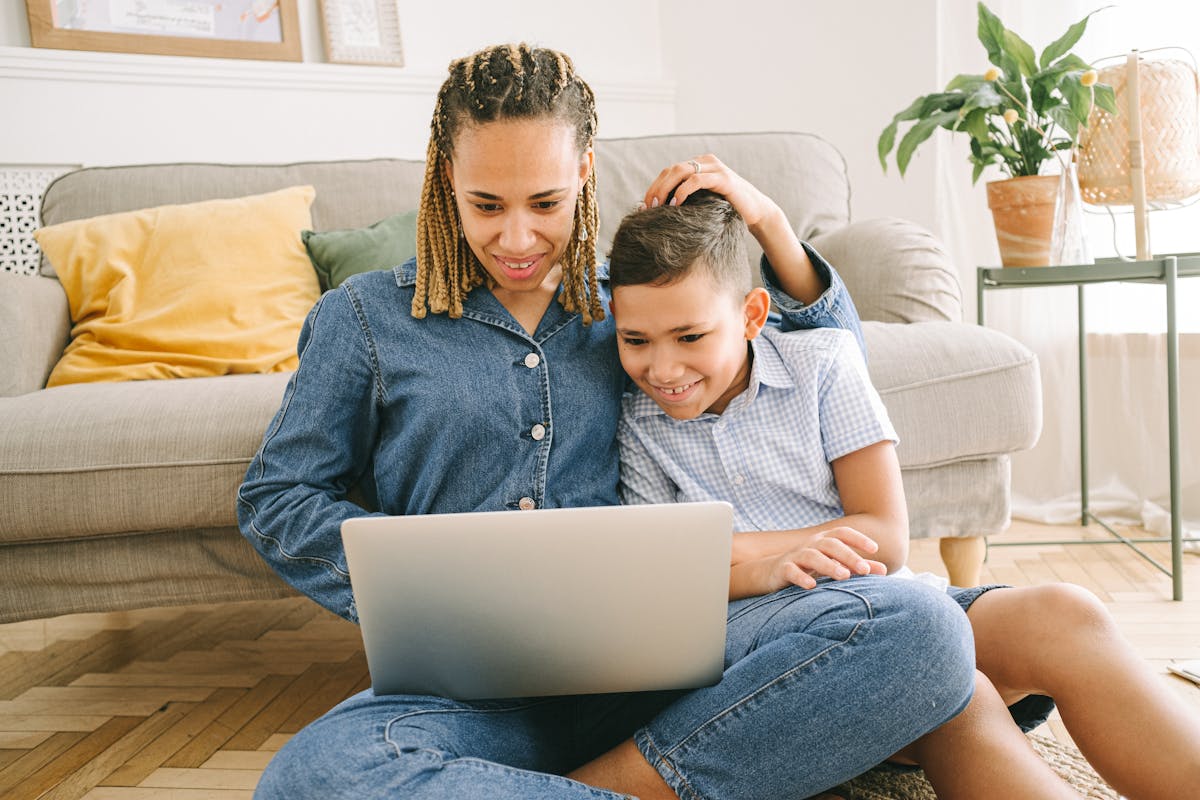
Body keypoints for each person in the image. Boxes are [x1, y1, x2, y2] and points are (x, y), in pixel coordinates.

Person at [237, 43, 977, 800]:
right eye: (487, 204)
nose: (517, 239)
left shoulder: (634, 309)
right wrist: (417, 587)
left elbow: (826, 355)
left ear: (586, 172)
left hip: (672, 656)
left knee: (919, 630)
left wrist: (766, 219)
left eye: (546, 203)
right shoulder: (364, 318)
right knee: (311, 778)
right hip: (470, 690)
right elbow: (276, 497)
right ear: (445, 178)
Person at [607, 187, 1200, 800]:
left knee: (1065, 614)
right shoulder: (634, 422)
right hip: (771, 652)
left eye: (689, 337)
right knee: (953, 689)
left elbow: (886, 539)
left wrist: (740, 550)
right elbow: (669, 576)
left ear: (753, 315)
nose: (663, 369)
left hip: (894, 602)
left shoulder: (823, 363)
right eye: (636, 341)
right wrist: (759, 570)